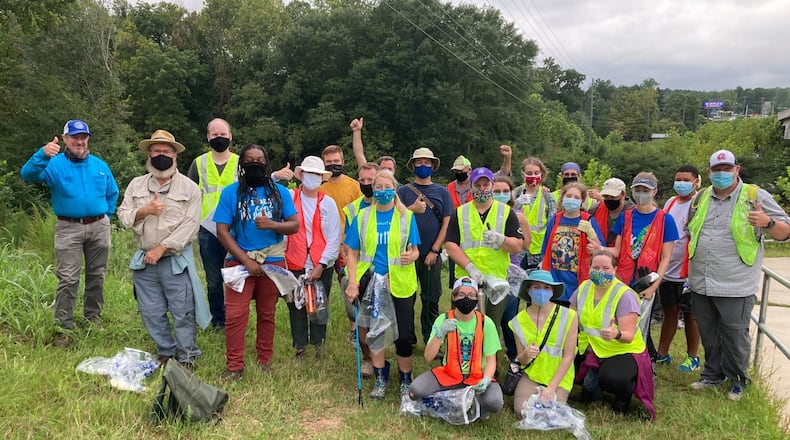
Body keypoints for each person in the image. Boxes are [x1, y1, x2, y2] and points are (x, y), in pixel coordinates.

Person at [687, 150, 790, 401]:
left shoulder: (754, 196)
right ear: (709, 172)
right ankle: (712, 375)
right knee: (709, 333)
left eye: (727, 168)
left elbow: (785, 232)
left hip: (735, 283)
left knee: (735, 335)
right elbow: (691, 232)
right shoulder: (700, 197)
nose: (722, 173)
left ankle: (739, 381)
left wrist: (766, 222)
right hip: (701, 280)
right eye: (717, 169)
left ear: (737, 169)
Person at [20, 119, 119, 347]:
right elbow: (27, 174)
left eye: (83, 137)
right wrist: (42, 154)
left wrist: (106, 217)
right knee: (68, 278)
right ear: (65, 139)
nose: (79, 141)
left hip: (98, 227)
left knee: (97, 275)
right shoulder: (53, 164)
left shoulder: (99, 165)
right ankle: (63, 327)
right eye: (74, 137)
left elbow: (112, 192)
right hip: (68, 227)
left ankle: (92, 318)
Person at [117, 130, 207, 368]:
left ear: (175, 155)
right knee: (151, 310)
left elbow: (190, 225)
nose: (161, 155)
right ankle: (165, 351)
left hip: (174, 260)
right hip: (145, 261)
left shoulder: (189, 188)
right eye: (156, 151)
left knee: (183, 310)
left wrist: (162, 248)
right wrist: (144, 211)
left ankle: (187, 355)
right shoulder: (136, 185)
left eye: (166, 151)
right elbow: (123, 216)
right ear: (148, 154)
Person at [214, 144, 299, 380]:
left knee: (267, 313)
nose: (255, 163)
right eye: (250, 160)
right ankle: (234, 366)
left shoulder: (279, 192)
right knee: (235, 315)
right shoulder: (231, 193)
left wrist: (273, 224)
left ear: (267, 163)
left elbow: (294, 225)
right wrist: (245, 261)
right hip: (239, 262)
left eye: (259, 160)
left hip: (272, 262)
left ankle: (264, 360)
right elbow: (222, 230)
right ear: (241, 164)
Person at [345, 170, 421, 398]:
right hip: (370, 282)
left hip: (400, 283)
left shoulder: (406, 216)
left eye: (387, 186)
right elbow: (351, 252)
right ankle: (380, 377)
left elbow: (415, 249)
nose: (382, 191)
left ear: (394, 189)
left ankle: (406, 378)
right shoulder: (363, 216)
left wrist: (413, 256)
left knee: (404, 334)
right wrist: (352, 282)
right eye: (378, 187)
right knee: (376, 333)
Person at [572, 250, 655, 418]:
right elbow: (570, 317)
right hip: (591, 348)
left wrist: (616, 333)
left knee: (612, 379)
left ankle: (623, 399)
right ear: (589, 269)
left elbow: (628, 336)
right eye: (595, 267)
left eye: (606, 268)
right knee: (563, 365)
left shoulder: (625, 295)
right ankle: (591, 385)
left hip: (621, 350)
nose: (600, 272)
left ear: (615, 270)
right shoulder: (584, 288)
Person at [407, 276, 504, 416]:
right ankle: (463, 401)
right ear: (454, 297)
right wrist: (439, 334)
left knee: (495, 403)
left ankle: (471, 401)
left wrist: (487, 379)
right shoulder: (444, 319)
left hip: (477, 377)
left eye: (471, 295)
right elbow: (428, 357)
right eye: (461, 294)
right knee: (414, 391)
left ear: (477, 299)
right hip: (449, 374)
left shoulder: (486, 323)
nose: (467, 298)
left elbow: (491, 360)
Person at [445, 167, 524, 337]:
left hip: (496, 280)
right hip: (467, 279)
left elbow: (517, 246)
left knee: (490, 327)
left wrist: (500, 239)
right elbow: (451, 245)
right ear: (471, 187)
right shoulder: (459, 213)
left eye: (486, 185)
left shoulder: (506, 212)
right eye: (477, 185)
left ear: (492, 185)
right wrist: (470, 267)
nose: (482, 189)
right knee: (463, 325)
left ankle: (488, 361)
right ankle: (461, 359)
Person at [610, 173, 678, 355]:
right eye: (637, 190)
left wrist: (654, 287)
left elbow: (666, 257)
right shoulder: (625, 217)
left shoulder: (665, 219)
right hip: (621, 280)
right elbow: (616, 250)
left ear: (654, 191)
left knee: (639, 327)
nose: (641, 194)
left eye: (645, 190)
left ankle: (640, 367)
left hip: (646, 281)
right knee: (617, 323)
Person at [284, 156, 341, 359]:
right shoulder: (289, 198)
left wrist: (322, 264)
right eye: (310, 173)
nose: (313, 177)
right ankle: (300, 345)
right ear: (301, 175)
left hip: (320, 264)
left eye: (317, 174)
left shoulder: (329, 204)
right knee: (296, 305)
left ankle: (319, 344)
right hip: (294, 263)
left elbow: (334, 237)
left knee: (318, 306)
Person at [397, 148, 453, 345]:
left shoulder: (442, 192)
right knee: (407, 298)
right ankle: (407, 337)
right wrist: (412, 209)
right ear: (413, 165)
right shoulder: (402, 192)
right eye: (419, 162)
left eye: (427, 163)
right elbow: (395, 217)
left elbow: (447, 223)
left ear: (433, 166)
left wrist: (435, 250)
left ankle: (431, 339)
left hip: (431, 254)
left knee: (431, 299)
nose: (423, 166)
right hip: (407, 254)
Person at [187, 118, 238, 330]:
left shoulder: (240, 161)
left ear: (230, 136)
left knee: (236, 277)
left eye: (223, 134)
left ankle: (236, 318)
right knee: (214, 280)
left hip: (235, 230)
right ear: (208, 137)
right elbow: (189, 194)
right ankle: (218, 320)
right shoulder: (198, 163)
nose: (219, 138)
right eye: (215, 135)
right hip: (207, 231)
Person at [509, 270, 577, 415]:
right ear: (529, 290)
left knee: (551, 412)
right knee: (522, 411)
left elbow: (568, 356)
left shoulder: (569, 316)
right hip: (532, 374)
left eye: (546, 288)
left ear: (552, 291)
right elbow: (521, 359)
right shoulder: (518, 321)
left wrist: (551, 388)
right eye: (537, 287)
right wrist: (527, 354)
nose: (542, 291)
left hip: (559, 376)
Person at [655, 165, 702, 372]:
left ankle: (693, 357)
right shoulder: (670, 203)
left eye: (685, 179)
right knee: (669, 311)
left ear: (696, 181)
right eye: (678, 179)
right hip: (668, 268)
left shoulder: (699, 203)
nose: (681, 183)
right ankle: (662, 353)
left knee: (690, 313)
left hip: (689, 269)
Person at [341, 162, 380, 376]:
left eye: (370, 181)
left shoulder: (395, 205)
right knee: (361, 321)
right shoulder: (353, 209)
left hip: (387, 273)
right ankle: (368, 359)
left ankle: (383, 362)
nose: (366, 184)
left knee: (383, 322)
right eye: (362, 180)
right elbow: (349, 246)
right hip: (360, 272)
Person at [540, 182, 604, 305]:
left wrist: (592, 236)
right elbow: (545, 250)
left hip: (578, 283)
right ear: (562, 197)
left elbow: (600, 250)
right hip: (554, 283)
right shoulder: (555, 219)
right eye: (569, 196)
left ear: (582, 201)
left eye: (576, 197)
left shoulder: (588, 220)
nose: (572, 200)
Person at [492, 175, 531, 362]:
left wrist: (523, 224)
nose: (501, 194)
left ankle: (514, 358)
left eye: (504, 191)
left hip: (511, 272)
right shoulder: (486, 214)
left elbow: (527, 245)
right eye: (496, 191)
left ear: (511, 193)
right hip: (489, 270)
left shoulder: (517, 215)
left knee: (509, 318)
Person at [511, 157, 556, 271]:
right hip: (518, 247)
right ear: (523, 174)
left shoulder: (547, 196)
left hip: (539, 250)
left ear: (542, 174)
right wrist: (517, 203)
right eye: (529, 173)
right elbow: (505, 215)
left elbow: (552, 225)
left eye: (536, 173)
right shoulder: (515, 193)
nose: (533, 176)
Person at [589, 178, 634, 247]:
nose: (609, 199)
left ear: (623, 195)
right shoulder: (595, 210)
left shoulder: (634, 214)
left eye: (613, 197)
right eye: (606, 196)